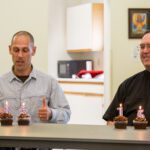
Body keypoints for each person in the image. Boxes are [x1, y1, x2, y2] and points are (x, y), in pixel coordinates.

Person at [0, 31, 71, 150]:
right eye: (16, 50)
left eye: (25, 50)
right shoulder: (1, 83)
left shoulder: (49, 82)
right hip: (7, 146)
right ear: (10, 50)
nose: (20, 55)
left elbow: (66, 114)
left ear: (33, 50)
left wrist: (51, 114)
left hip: (39, 146)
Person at [103, 30, 150, 126]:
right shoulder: (128, 85)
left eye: (149, 46)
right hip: (130, 140)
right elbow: (110, 121)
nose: (145, 51)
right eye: (142, 47)